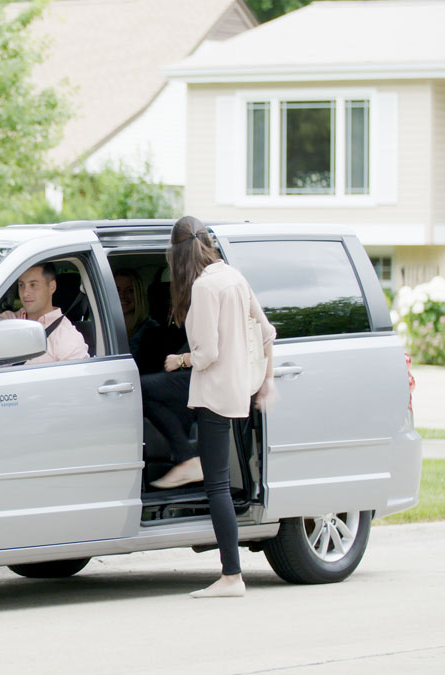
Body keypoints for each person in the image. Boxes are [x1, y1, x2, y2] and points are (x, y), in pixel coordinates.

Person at [147, 216, 277, 599]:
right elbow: (268, 333)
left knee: (217, 486)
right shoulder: (234, 277)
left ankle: (232, 576)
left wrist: (179, 360)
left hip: (215, 392)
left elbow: (207, 354)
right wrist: (265, 383)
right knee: (216, 475)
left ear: (177, 254)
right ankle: (189, 456)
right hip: (238, 392)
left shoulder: (204, 287)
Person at [0, 263, 89, 364]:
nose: (25, 293)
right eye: (21, 285)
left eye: (33, 285)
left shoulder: (68, 339)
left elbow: (76, 379)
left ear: (52, 287)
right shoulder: (7, 320)